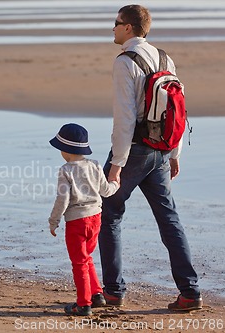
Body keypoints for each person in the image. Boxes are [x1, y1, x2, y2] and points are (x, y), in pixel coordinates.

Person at [99, 4, 202, 311]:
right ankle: (190, 292)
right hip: (160, 150)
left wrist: (116, 166)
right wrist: (174, 152)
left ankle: (114, 292)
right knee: (170, 220)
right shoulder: (165, 58)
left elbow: (126, 118)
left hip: (134, 151)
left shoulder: (124, 61)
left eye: (116, 23)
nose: (113, 29)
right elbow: (178, 109)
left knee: (108, 213)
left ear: (128, 27)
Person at [48, 123, 119, 316]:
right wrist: (115, 183)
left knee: (78, 262)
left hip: (76, 222)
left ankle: (83, 304)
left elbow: (62, 200)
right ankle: (97, 294)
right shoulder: (95, 165)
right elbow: (106, 191)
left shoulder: (65, 170)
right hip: (96, 218)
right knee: (87, 257)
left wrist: (53, 221)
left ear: (65, 150)